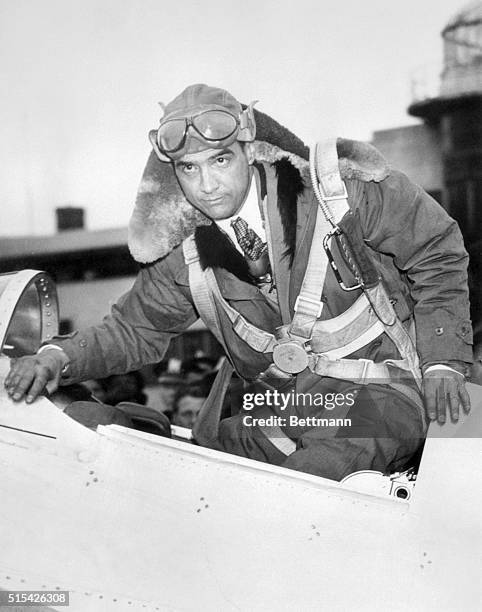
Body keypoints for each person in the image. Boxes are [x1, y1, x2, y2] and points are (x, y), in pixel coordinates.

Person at [4, 84, 473, 481]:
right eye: (189, 169)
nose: (207, 185)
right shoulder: (186, 254)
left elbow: (436, 252)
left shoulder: (339, 192)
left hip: (382, 394)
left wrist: (445, 364)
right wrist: (57, 357)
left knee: (305, 485)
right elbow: (132, 331)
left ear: (249, 150)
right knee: (171, 464)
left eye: (220, 161)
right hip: (290, 409)